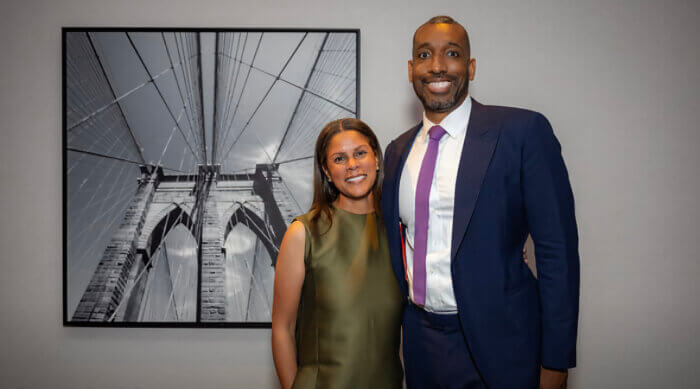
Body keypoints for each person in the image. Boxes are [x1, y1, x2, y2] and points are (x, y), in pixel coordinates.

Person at [380, 16, 580, 389]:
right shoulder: (396, 152)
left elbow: (558, 253)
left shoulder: (521, 133)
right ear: (411, 70)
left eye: (451, 54)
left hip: (503, 345)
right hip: (422, 345)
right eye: (425, 55)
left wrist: (555, 362)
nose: (437, 65)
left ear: (470, 66)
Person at [271, 118, 403, 389]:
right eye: (339, 158)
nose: (352, 165)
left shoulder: (400, 232)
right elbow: (282, 329)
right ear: (327, 171)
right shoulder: (303, 233)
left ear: (376, 159)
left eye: (360, 153)